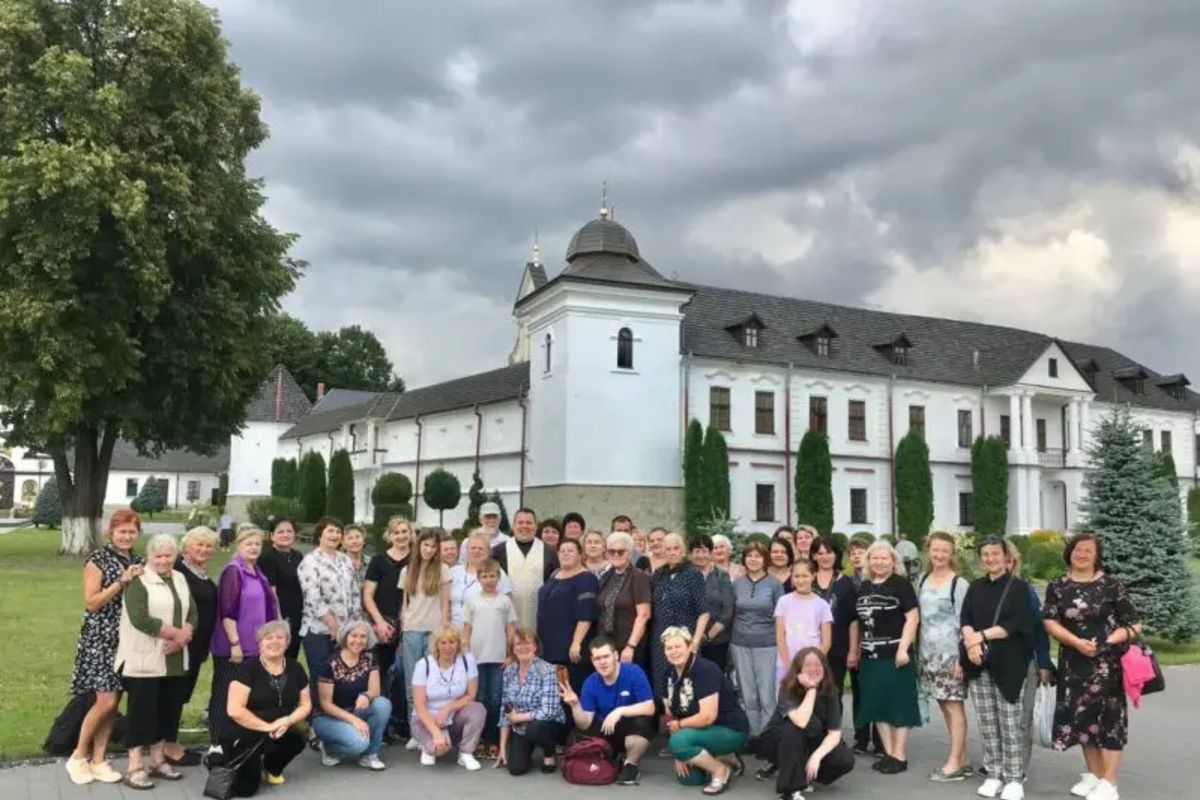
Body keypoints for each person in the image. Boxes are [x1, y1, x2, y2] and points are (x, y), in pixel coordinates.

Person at [1042, 533, 1139, 800]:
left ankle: (1110, 783)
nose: (1081, 554)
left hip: (1107, 664)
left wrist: (1106, 640)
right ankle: (1095, 775)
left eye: (1088, 550)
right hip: (1074, 663)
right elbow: (1050, 621)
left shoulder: (1111, 586)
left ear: (1097, 556)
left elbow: (1134, 624)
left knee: (1109, 721)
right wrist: (1075, 642)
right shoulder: (1058, 586)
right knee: (1082, 720)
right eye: (1077, 549)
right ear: (1070, 553)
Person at [64, 508, 145, 785]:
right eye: (121, 531)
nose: (126, 536)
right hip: (101, 637)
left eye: (131, 531)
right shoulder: (97, 559)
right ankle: (78, 756)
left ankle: (99, 759)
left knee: (114, 703)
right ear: (111, 532)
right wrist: (121, 582)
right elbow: (91, 602)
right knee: (105, 700)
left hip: (127, 638)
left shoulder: (137, 559)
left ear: (138, 533)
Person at [113, 533, 197, 789]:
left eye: (168, 555)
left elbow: (192, 610)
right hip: (144, 658)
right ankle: (135, 766)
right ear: (149, 556)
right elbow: (140, 618)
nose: (163, 560)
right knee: (142, 713)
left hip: (174, 658)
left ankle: (158, 760)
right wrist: (175, 634)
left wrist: (184, 638)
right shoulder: (139, 580)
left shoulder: (180, 577)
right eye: (158, 556)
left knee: (168, 712)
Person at [961, 536, 1034, 800]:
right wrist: (971, 642)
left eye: (995, 554)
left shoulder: (1018, 588)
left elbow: (1015, 623)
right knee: (988, 722)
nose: (990, 559)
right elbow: (965, 618)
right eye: (986, 555)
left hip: (1009, 664)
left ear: (1006, 557)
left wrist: (979, 637)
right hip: (979, 662)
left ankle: (1014, 777)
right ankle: (993, 773)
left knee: (1010, 722)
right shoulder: (975, 587)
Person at [847, 540, 920, 775]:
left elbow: (913, 618)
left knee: (898, 704)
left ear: (893, 561)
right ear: (869, 561)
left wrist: (903, 649)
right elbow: (859, 621)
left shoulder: (900, 584)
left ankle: (900, 754)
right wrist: (857, 650)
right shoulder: (865, 586)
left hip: (895, 655)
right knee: (876, 705)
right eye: (874, 558)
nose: (879, 562)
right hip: (870, 656)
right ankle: (889, 753)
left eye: (884, 558)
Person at [752, 647, 855, 800]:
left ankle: (805, 775)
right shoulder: (787, 687)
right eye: (808, 665)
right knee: (793, 728)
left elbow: (834, 733)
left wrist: (816, 757)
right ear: (798, 669)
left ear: (824, 668)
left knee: (844, 759)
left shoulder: (831, 691)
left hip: (812, 737)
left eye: (818, 664)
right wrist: (812, 689)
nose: (813, 668)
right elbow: (801, 721)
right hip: (778, 740)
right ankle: (790, 790)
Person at [223, 620, 311, 795]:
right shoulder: (246, 669)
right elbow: (234, 710)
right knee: (245, 790)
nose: (275, 642)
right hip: (247, 729)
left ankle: (271, 768)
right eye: (268, 638)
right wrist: (268, 727)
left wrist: (287, 720)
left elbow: (306, 704)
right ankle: (218, 757)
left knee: (297, 740)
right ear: (259, 643)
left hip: (280, 725)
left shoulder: (295, 667)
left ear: (287, 642)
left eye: (280, 637)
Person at [660, 626, 749, 793]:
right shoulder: (668, 674)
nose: (674, 651)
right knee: (689, 779)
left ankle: (721, 771)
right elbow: (670, 715)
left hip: (728, 728)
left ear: (690, 647)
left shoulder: (705, 670)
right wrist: (680, 753)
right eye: (669, 648)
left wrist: (678, 740)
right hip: (695, 731)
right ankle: (726, 757)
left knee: (679, 742)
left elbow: (707, 717)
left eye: (678, 646)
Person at [210, 527, 279, 742]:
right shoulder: (234, 570)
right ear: (238, 546)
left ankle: (240, 741)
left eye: (257, 544)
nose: (254, 547)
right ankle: (218, 743)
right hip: (235, 648)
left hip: (255, 647)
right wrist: (235, 643)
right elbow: (227, 612)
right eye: (249, 543)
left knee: (246, 697)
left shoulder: (256, 571)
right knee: (225, 696)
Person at [560, 636, 657, 785]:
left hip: (627, 727)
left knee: (643, 722)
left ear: (616, 656)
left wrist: (619, 711)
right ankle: (605, 757)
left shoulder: (633, 672)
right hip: (604, 728)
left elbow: (649, 707)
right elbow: (584, 723)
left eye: (606, 656)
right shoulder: (590, 682)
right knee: (574, 737)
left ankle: (630, 764)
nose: (602, 662)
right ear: (592, 661)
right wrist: (575, 705)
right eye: (597, 658)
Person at [917, 531, 972, 783]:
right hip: (929, 655)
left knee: (954, 705)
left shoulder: (958, 584)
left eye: (945, 551)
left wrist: (962, 659)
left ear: (952, 554)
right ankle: (961, 757)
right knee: (944, 705)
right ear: (929, 550)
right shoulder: (923, 579)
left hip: (951, 656)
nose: (939, 555)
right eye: (935, 550)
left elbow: (965, 623)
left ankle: (954, 763)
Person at [168, 525, 219, 765]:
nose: (204, 549)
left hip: (198, 645)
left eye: (209, 545)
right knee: (174, 694)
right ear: (186, 547)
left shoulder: (201, 571)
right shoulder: (178, 569)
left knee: (182, 694)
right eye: (199, 544)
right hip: (181, 643)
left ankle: (167, 740)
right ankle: (168, 745)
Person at [312, 619, 392, 770]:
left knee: (382, 704)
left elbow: (375, 690)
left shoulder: (370, 657)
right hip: (328, 718)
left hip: (356, 711)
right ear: (345, 637)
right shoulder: (330, 664)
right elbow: (326, 704)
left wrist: (366, 696)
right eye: (353, 636)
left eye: (363, 636)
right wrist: (354, 720)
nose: (358, 640)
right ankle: (329, 749)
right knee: (359, 743)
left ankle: (370, 755)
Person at [1005, 541, 1055, 778]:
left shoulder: (1024, 590)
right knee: (999, 717)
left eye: (1004, 558)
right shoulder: (982, 588)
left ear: (1012, 562)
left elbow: (1039, 627)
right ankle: (999, 762)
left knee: (1022, 717)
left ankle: (1018, 768)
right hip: (996, 663)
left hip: (1026, 660)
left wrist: (1044, 662)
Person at [410, 625, 487, 770]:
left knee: (478, 709)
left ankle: (466, 753)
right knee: (438, 749)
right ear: (436, 645)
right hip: (426, 719)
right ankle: (426, 744)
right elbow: (419, 705)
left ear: (458, 644)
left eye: (452, 642)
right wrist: (436, 733)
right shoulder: (423, 664)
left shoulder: (467, 660)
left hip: (454, 717)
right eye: (443, 642)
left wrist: (448, 708)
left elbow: (471, 695)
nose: (448, 647)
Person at [363, 516, 412, 739]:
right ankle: (380, 728)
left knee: (403, 675)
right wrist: (379, 622)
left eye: (405, 531)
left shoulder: (417, 559)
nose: (401, 536)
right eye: (397, 532)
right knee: (380, 674)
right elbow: (368, 595)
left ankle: (402, 724)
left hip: (410, 624)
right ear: (389, 536)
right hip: (382, 624)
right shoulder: (378, 561)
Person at [462, 558, 518, 752]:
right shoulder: (472, 600)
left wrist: (511, 655)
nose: (488, 580)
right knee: (479, 698)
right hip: (476, 659)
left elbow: (510, 630)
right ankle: (478, 739)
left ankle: (493, 740)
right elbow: (467, 629)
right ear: (478, 578)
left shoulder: (504, 601)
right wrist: (466, 654)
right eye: (484, 576)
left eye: (492, 576)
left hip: (498, 659)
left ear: (498, 577)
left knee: (495, 699)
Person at [730, 539, 785, 737]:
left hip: (767, 644)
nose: (753, 560)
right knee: (747, 692)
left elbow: (781, 616)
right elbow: (732, 612)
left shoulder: (774, 584)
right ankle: (753, 734)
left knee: (767, 693)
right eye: (749, 556)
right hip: (740, 643)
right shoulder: (737, 583)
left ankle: (767, 735)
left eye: (758, 556)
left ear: (765, 559)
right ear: (744, 559)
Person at [297, 517, 356, 698]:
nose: (335, 535)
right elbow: (312, 598)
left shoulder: (345, 560)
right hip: (318, 630)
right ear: (320, 534)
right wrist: (332, 625)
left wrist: (354, 625)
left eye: (338, 532)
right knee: (321, 676)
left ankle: (337, 716)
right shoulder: (310, 561)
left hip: (345, 629)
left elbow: (354, 593)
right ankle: (316, 719)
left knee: (341, 676)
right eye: (330, 531)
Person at [496, 628, 567, 775]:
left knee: (535, 729)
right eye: (518, 644)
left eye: (527, 643)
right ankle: (527, 747)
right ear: (513, 649)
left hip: (547, 724)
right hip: (521, 727)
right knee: (516, 769)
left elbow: (548, 712)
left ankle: (549, 752)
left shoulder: (547, 670)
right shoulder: (509, 671)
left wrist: (518, 717)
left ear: (535, 646)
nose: (523, 647)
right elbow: (505, 710)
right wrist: (502, 748)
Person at [650, 533, 711, 696]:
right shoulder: (658, 574)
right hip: (661, 642)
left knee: (686, 687)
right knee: (662, 686)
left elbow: (704, 612)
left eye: (676, 548)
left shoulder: (693, 574)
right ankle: (665, 720)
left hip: (685, 641)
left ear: (683, 551)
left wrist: (695, 642)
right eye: (668, 549)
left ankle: (685, 722)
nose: (672, 552)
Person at [536, 538, 599, 692]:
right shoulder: (554, 575)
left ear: (580, 555)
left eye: (570, 550)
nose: (565, 554)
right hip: (550, 647)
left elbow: (586, 615)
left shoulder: (586, 578)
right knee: (552, 692)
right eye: (562, 551)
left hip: (571, 649)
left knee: (571, 690)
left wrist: (576, 643)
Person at [400, 530, 452, 715]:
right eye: (426, 545)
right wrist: (403, 629)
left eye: (433, 546)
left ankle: (432, 726)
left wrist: (443, 632)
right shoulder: (407, 570)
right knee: (412, 682)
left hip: (434, 632)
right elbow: (405, 605)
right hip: (412, 631)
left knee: (433, 682)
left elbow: (445, 604)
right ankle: (415, 729)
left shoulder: (443, 570)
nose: (428, 550)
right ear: (418, 545)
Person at [844, 534, 881, 755]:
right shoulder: (849, 582)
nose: (857, 556)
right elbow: (851, 618)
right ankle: (860, 737)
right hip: (856, 640)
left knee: (875, 692)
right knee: (858, 693)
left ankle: (879, 740)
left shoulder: (875, 580)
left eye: (861, 552)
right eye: (853, 553)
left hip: (876, 641)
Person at [494, 507, 560, 628]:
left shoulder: (549, 552)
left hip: (541, 619)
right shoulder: (499, 551)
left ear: (535, 526)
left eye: (529, 523)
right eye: (520, 522)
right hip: (506, 620)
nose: (525, 526)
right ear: (513, 526)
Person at [595, 531, 652, 665]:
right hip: (607, 645)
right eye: (611, 551)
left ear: (629, 553)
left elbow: (644, 615)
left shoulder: (639, 577)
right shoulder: (606, 577)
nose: (616, 554)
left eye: (621, 551)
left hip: (629, 646)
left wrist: (631, 646)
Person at [810, 536, 855, 704]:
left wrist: (852, 650)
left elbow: (853, 620)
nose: (825, 557)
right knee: (811, 691)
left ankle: (833, 729)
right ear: (813, 556)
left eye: (829, 552)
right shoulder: (806, 579)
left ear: (836, 555)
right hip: (810, 645)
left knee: (834, 692)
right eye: (820, 553)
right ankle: (814, 730)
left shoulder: (845, 582)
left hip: (838, 647)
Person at [775, 559, 833, 685]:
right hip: (785, 664)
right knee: (788, 703)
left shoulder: (822, 605)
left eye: (805, 576)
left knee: (810, 701)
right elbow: (780, 636)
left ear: (813, 576)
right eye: (796, 576)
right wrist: (789, 667)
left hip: (812, 667)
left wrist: (813, 665)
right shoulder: (783, 601)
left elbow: (827, 641)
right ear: (791, 577)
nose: (800, 580)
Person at [257, 516, 305, 660]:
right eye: (280, 532)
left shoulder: (297, 555)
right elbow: (271, 591)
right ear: (272, 536)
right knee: (278, 657)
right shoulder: (267, 557)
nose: (285, 535)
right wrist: (279, 620)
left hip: (298, 614)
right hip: (280, 616)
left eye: (289, 531)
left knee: (292, 657)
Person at [450, 530, 515, 626]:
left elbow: (508, 604)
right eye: (473, 548)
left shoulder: (497, 572)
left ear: (488, 551)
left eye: (481, 548)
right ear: (467, 550)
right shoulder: (454, 572)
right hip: (454, 634)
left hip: (484, 631)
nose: (476, 551)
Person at [691, 535, 735, 671]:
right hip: (689, 639)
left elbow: (728, 610)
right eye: (697, 551)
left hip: (717, 641)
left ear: (710, 553)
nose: (701, 555)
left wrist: (708, 635)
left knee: (714, 678)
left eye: (704, 551)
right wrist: (694, 637)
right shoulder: (686, 575)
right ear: (690, 554)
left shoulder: (721, 576)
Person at [342, 524, 369, 620]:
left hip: (367, 616)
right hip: (344, 616)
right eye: (350, 538)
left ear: (363, 540)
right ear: (343, 543)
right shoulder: (338, 564)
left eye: (358, 537)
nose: (355, 541)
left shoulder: (372, 563)